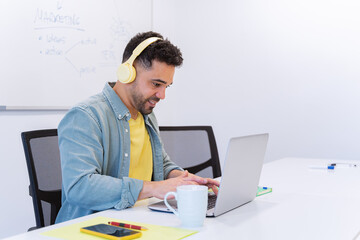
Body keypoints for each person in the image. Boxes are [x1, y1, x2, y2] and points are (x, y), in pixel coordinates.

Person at [55, 31, 219, 223]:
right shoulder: (86, 116)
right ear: (128, 72)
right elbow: (79, 187)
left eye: (167, 86)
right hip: (93, 226)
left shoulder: (146, 115)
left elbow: (160, 163)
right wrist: (154, 188)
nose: (162, 95)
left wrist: (185, 181)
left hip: (138, 219)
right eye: (156, 84)